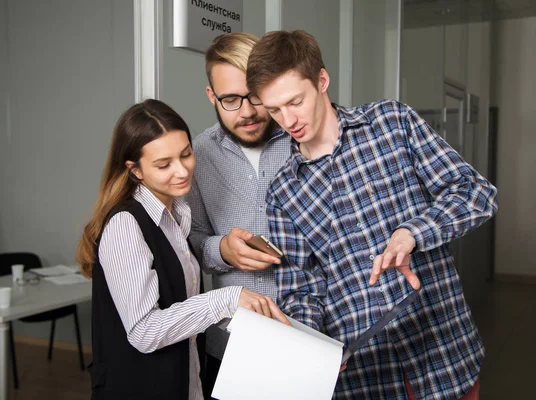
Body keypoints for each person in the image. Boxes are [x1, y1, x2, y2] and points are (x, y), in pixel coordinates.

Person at [246, 30, 498, 399]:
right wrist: (313, 344)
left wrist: (412, 232)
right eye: (274, 110)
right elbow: (301, 288)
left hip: (443, 356)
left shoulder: (391, 123)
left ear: (322, 80)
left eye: (295, 101)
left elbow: (475, 193)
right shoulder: (283, 191)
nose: (288, 120)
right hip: (366, 377)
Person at [76, 99, 288, 399]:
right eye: (164, 164)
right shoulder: (126, 224)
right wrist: (227, 298)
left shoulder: (178, 216)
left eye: (186, 154)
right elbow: (144, 331)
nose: (182, 170)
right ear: (134, 170)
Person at [185, 32, 292, 397]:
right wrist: (222, 250)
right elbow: (191, 240)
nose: (246, 112)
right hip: (233, 342)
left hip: (313, 337)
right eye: (230, 99)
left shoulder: (304, 139)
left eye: (255, 95)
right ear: (211, 96)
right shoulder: (196, 156)